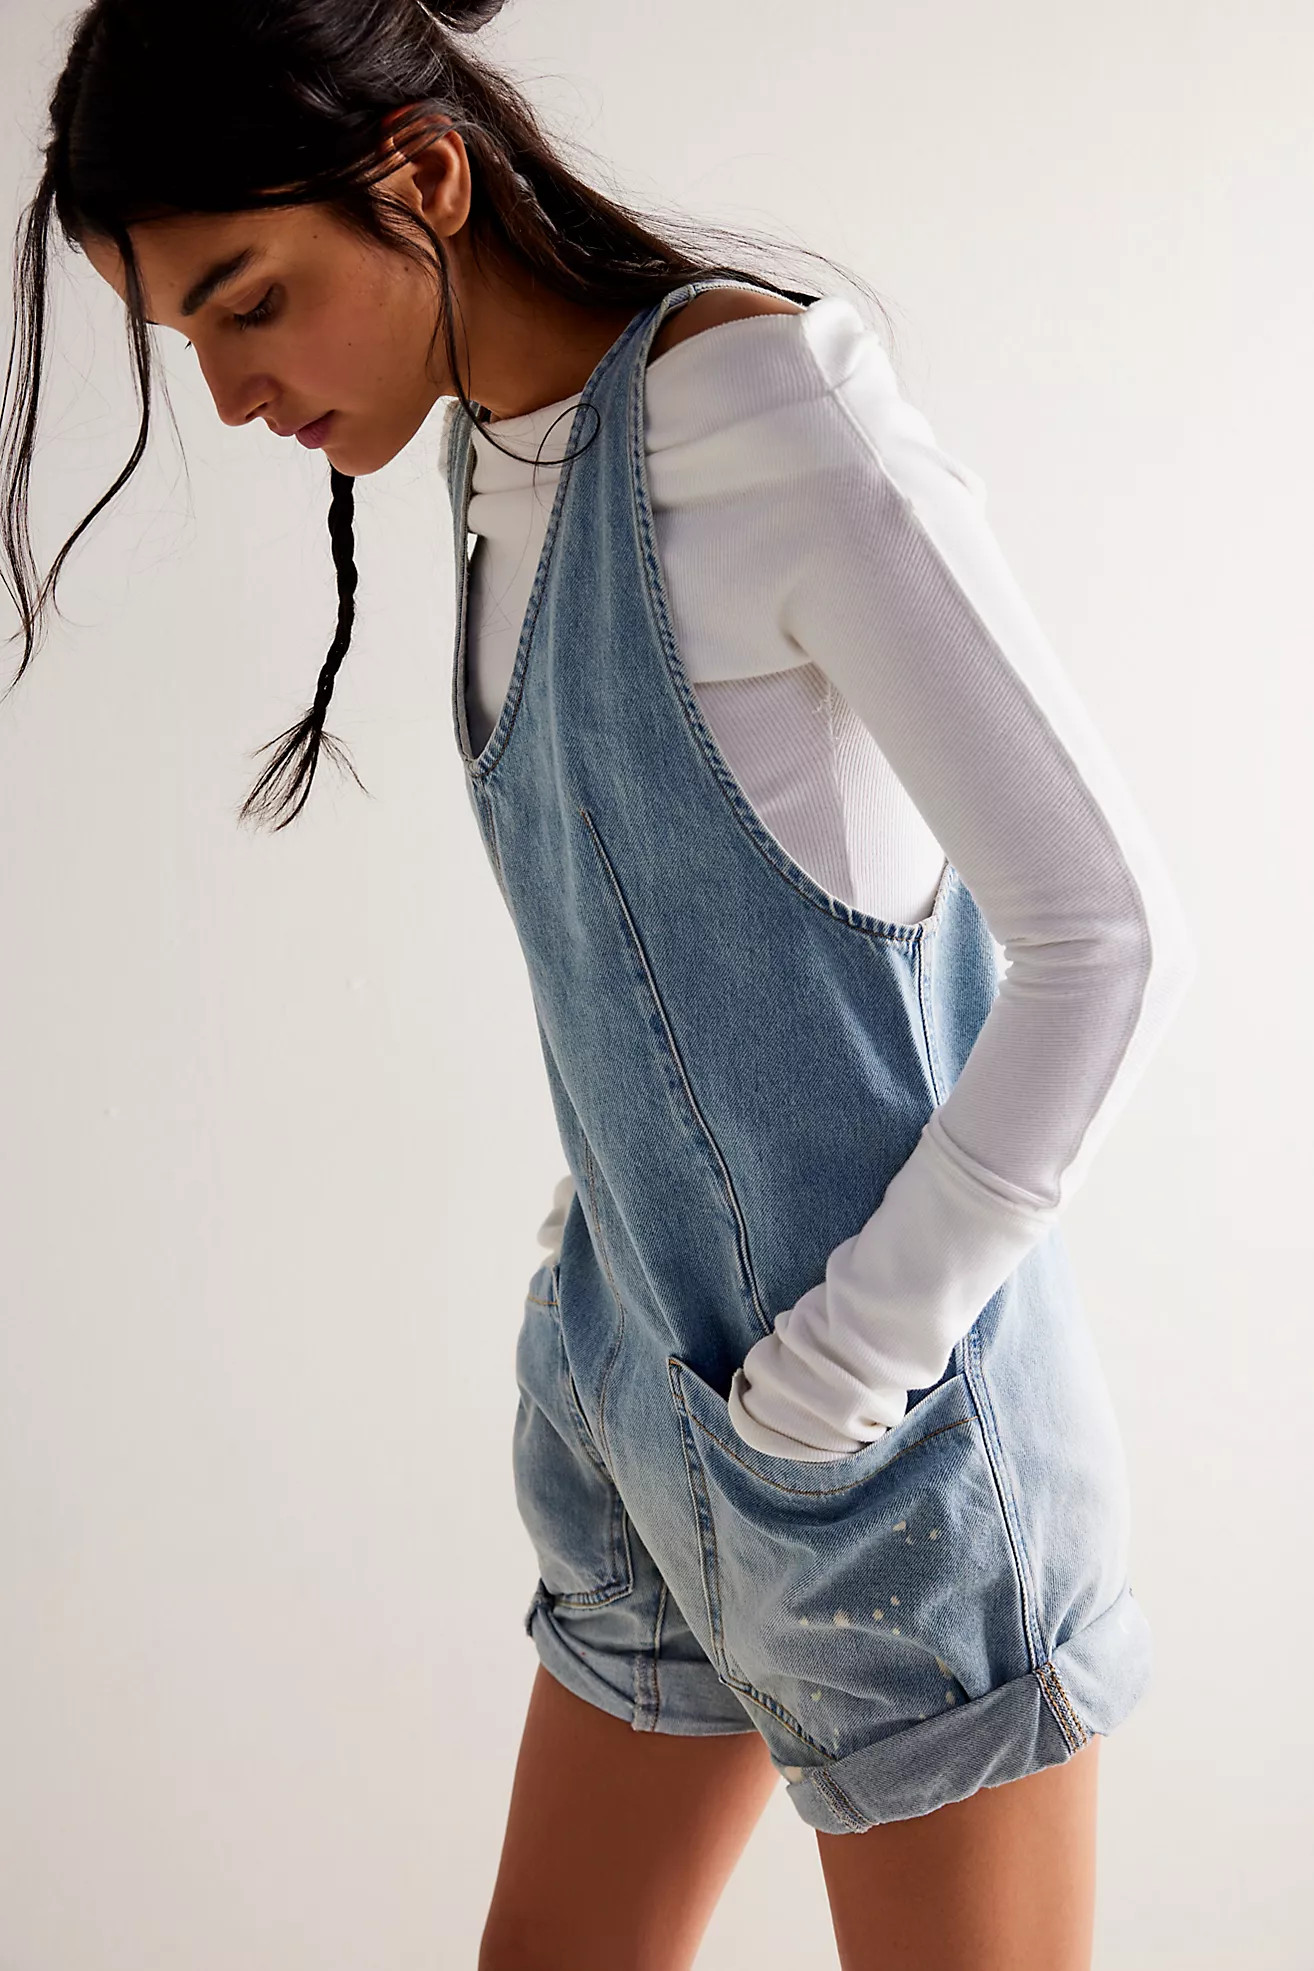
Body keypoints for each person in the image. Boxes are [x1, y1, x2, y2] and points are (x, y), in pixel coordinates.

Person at [0, 3, 1198, 1966]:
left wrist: (844, 1373)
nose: (228, 392)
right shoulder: (503, 452)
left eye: (250, 300)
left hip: (879, 1464)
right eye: (185, 336)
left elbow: (1108, 939)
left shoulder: (772, 425)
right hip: (633, 1409)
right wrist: (606, 1250)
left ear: (424, 177)